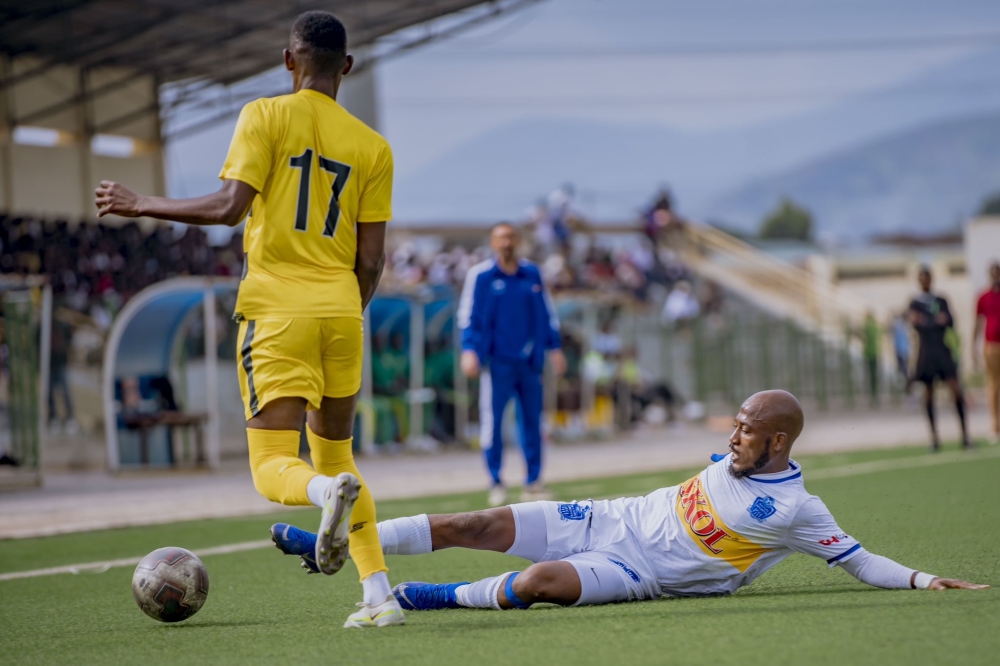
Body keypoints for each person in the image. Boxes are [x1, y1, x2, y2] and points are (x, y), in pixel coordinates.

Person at [93, 11, 403, 628]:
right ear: (346, 66)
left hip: (277, 309)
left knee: (273, 469)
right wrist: (345, 311)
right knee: (338, 455)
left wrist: (140, 203)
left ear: (289, 60)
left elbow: (230, 207)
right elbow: (372, 259)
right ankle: (379, 597)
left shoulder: (264, 115)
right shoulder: (373, 147)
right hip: (342, 312)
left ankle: (319, 496)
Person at [270, 390, 987, 609]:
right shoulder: (734, 458)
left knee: (538, 585)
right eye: (733, 426)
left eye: (745, 432)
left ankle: (423, 598)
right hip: (613, 516)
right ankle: (330, 543)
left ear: (778, 444)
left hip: (642, 574)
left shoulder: (799, 511)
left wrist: (925, 578)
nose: (732, 438)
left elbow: (860, 562)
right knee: (474, 520)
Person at [457, 223, 567, 507]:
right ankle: (496, 480)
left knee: (532, 421)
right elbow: (469, 315)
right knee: (493, 422)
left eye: (510, 237)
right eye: (500, 238)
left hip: (529, 362)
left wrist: (554, 348)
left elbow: (546, 312)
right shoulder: (481, 276)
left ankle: (533, 481)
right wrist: (469, 349)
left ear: (517, 241)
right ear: (493, 243)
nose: (506, 243)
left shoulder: (531, 273)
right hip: (497, 362)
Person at [908, 267, 969, 450]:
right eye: (922, 278)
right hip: (926, 352)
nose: (925, 281)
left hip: (942, 350)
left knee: (955, 388)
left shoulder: (940, 299)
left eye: (927, 278)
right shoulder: (915, 302)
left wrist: (929, 321)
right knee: (929, 393)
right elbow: (916, 322)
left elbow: (949, 320)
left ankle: (965, 435)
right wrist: (934, 321)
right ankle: (934, 438)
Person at [974, 261, 1000, 443]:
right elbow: (977, 323)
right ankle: (995, 426)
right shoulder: (983, 296)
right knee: (993, 385)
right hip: (991, 346)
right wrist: (972, 347)